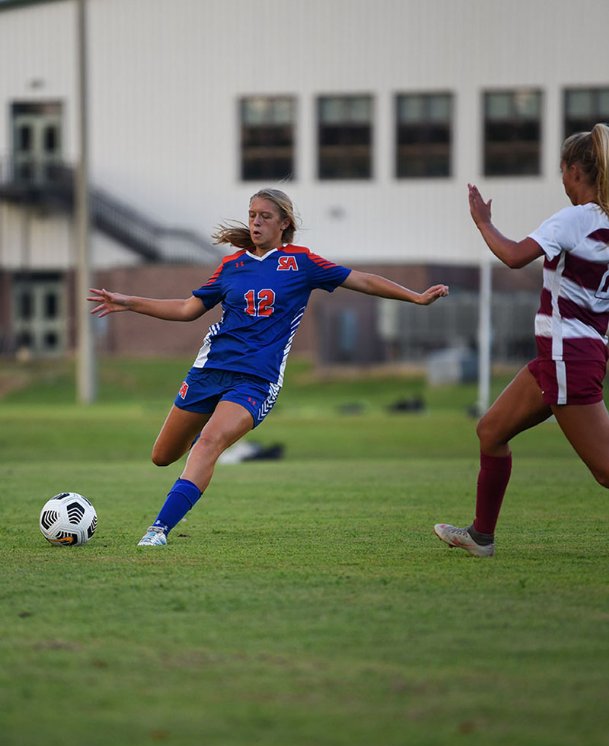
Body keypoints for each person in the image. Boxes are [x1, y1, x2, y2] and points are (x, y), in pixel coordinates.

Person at [89, 188, 449, 546]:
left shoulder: (302, 263)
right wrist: (130, 301)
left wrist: (414, 297)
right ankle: (208, 441)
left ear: (284, 223)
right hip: (209, 370)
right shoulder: (232, 265)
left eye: (265, 216)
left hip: (256, 381)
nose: (256, 222)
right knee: (162, 456)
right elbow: (187, 309)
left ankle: (158, 530)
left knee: (207, 445)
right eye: (252, 215)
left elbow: (363, 280)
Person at [434, 123, 609, 557]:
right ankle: (480, 537)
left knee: (606, 470)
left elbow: (514, 257)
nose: (562, 182)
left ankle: (480, 536)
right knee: (490, 430)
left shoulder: (576, 218)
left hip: (567, 355)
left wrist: (483, 222)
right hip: (565, 356)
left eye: (562, 173)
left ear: (573, 171)